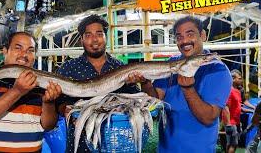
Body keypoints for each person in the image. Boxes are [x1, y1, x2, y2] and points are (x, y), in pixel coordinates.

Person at [55, 14, 153, 152]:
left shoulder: (120, 67)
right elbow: (58, 102)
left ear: (106, 37)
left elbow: (141, 100)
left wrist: (144, 81)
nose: (94, 39)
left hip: (114, 144)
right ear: (81, 39)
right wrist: (65, 109)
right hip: (80, 146)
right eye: (88, 35)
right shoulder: (68, 68)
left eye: (99, 34)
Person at [0, 32, 61, 152]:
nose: (24, 55)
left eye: (30, 50)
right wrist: (17, 91)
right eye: (18, 48)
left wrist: (49, 103)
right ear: (5, 51)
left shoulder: (41, 84)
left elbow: (48, 126)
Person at [152, 16, 232, 152]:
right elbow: (155, 99)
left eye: (190, 34)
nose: (184, 41)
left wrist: (188, 89)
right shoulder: (171, 63)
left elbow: (208, 118)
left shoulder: (218, 70)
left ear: (203, 35)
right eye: (179, 37)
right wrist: (144, 81)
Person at [222, 69, 245, 153]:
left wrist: (252, 109)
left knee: (230, 143)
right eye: (239, 78)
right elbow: (226, 107)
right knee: (234, 144)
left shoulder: (237, 91)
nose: (241, 80)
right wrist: (228, 123)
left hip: (236, 121)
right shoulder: (229, 91)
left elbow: (239, 107)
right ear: (233, 79)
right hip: (231, 122)